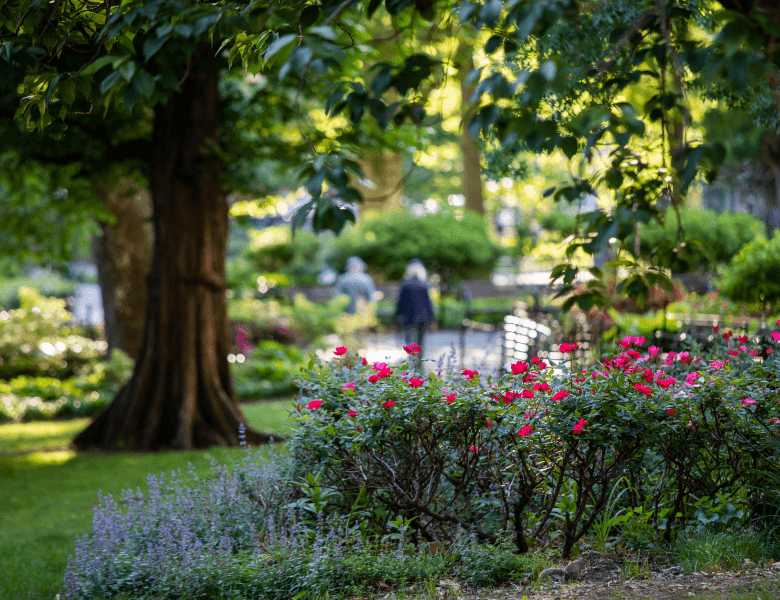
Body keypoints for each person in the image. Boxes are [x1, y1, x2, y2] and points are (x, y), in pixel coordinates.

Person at [394, 259, 435, 349]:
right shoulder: (424, 284)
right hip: (422, 317)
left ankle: (410, 358)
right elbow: (428, 303)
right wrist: (432, 317)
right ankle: (419, 359)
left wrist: (396, 315)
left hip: (408, 317)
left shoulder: (405, 284)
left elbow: (400, 302)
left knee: (408, 339)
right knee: (420, 341)